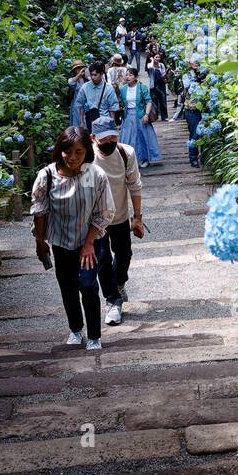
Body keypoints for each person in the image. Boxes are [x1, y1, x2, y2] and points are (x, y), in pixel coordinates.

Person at [31, 127, 115, 350]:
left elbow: (104, 212)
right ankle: (76, 329)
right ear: (60, 151)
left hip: (90, 241)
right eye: (68, 152)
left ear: (87, 151)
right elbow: (40, 211)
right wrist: (40, 242)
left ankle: (95, 335)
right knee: (67, 288)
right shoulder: (47, 176)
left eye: (79, 151)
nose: (73, 157)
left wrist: (89, 243)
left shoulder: (95, 175)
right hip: (61, 243)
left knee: (87, 285)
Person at [88, 116, 145, 326]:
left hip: (120, 215)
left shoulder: (125, 153)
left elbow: (134, 185)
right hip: (96, 220)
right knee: (102, 258)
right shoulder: (87, 155)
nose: (109, 143)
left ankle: (119, 282)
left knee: (124, 254)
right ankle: (113, 301)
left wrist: (137, 218)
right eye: (104, 140)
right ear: (94, 138)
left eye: (113, 138)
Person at [117, 66, 162, 167]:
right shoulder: (123, 89)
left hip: (140, 115)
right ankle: (129, 160)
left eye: (130, 75)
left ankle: (144, 159)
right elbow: (121, 102)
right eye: (127, 75)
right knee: (128, 138)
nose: (128, 77)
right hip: (128, 116)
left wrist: (146, 114)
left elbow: (148, 101)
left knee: (142, 138)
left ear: (136, 77)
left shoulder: (142, 87)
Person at [76, 62, 119, 128]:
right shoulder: (85, 87)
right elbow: (80, 105)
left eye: (95, 75)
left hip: (104, 123)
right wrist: (81, 122)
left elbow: (112, 108)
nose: (93, 77)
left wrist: (113, 124)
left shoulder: (109, 88)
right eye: (91, 75)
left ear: (101, 74)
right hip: (89, 122)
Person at [178, 60, 205, 167]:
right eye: (194, 62)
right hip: (192, 109)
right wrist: (198, 78)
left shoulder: (206, 74)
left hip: (204, 110)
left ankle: (203, 158)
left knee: (204, 134)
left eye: (198, 62)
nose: (197, 64)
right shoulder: (187, 76)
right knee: (194, 134)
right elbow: (188, 88)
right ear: (190, 64)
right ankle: (193, 159)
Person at [146, 53, 169, 123]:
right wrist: (152, 60)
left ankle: (164, 116)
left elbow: (163, 74)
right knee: (154, 101)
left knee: (163, 101)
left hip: (161, 85)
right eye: (156, 57)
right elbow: (150, 67)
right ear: (153, 58)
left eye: (159, 57)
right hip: (153, 85)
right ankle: (155, 116)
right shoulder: (150, 64)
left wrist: (166, 74)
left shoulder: (161, 65)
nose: (158, 59)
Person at [67, 60, 88, 130]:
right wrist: (79, 75)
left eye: (81, 68)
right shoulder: (73, 80)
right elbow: (71, 83)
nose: (80, 69)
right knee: (76, 123)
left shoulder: (86, 80)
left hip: (86, 104)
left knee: (85, 122)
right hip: (77, 105)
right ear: (74, 70)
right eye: (78, 68)